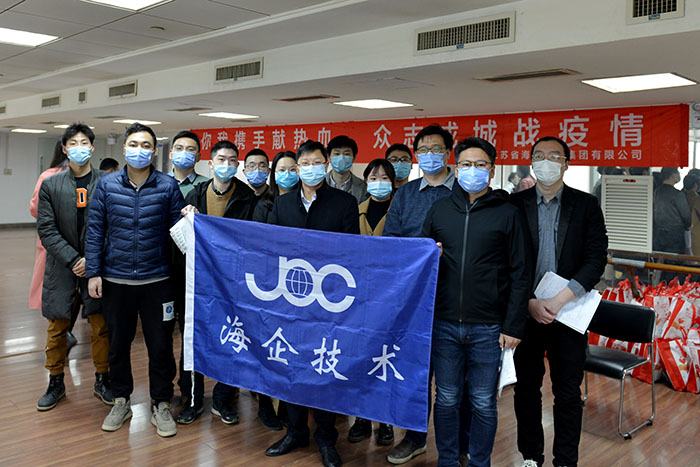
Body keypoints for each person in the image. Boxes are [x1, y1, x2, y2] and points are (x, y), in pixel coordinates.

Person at [423, 137, 530, 467]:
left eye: (480, 164)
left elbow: (521, 273)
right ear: (455, 169)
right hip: (443, 322)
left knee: (483, 401)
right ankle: (447, 460)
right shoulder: (440, 210)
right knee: (446, 398)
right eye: (466, 164)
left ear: (492, 170)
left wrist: (513, 325)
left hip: (489, 326)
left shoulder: (508, 214)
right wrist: (431, 255)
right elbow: (420, 262)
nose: (473, 170)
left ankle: (480, 462)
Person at [511, 136, 608, 467]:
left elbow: (596, 259)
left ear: (566, 164)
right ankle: (530, 457)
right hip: (526, 313)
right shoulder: (515, 204)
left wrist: (559, 299)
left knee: (567, 392)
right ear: (531, 162)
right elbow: (504, 259)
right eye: (539, 156)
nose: (546, 162)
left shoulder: (586, 205)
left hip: (569, 312)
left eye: (554, 156)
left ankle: (565, 460)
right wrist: (529, 302)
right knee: (526, 389)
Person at [85, 122, 185, 438]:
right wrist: (93, 272)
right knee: (117, 345)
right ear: (124, 148)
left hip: (158, 281)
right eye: (133, 144)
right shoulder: (106, 185)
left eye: (145, 145)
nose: (139, 150)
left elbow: (180, 232)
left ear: (154, 151)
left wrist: (190, 218)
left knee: (161, 346)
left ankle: (161, 404)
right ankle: (121, 400)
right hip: (116, 280)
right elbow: (95, 230)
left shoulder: (168, 186)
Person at [265, 140, 359, 467]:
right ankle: (295, 431)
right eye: (304, 164)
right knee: (291, 366)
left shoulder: (344, 203)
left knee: (322, 369)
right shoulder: (283, 204)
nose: (310, 168)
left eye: (316, 162)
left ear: (326, 164)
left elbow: (352, 253)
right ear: (297, 167)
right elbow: (271, 247)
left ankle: (326, 438)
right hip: (290, 300)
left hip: (329, 302)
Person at [383, 124, 470, 465]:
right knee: (414, 373)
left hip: (455, 298)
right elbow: (391, 241)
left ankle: (460, 446)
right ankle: (414, 438)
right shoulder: (405, 194)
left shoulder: (463, 190)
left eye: (436, 149)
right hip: (412, 299)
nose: (429, 155)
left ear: (448, 153)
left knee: (454, 381)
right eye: (423, 150)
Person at [177, 140, 277, 429]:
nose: (227, 165)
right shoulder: (195, 194)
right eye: (221, 159)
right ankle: (192, 399)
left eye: (233, 160)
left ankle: (223, 398)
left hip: (234, 283)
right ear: (210, 164)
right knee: (193, 338)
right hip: (199, 281)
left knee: (233, 338)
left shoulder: (247, 197)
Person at [35, 124, 113, 411]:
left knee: (101, 326)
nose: (79, 148)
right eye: (73, 143)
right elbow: (46, 229)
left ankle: (102, 379)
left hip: (97, 268)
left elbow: (112, 227)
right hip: (62, 266)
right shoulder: (51, 185)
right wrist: (74, 260)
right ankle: (55, 381)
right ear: (65, 149)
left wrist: (91, 261)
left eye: (84, 142)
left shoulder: (107, 183)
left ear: (92, 148)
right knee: (57, 327)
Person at [346, 158, 397, 445]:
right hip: (358, 297)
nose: (379, 183)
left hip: (393, 297)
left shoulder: (401, 209)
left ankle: (385, 421)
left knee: (386, 359)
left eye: (384, 178)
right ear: (366, 181)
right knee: (360, 357)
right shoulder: (356, 210)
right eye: (374, 178)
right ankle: (362, 418)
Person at [30, 141, 69, 311]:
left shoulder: (47, 176)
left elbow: (35, 208)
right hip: (76, 237)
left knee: (51, 279)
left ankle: (57, 318)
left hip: (52, 237)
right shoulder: (87, 176)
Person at [253, 150, 299, 223]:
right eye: (282, 170)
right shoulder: (264, 204)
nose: (287, 174)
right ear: (274, 174)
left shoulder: (305, 202)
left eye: (292, 170)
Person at [653, 167, 691, 254]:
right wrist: (688, 225)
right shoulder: (677, 194)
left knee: (660, 258)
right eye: (678, 173)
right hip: (675, 235)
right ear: (673, 176)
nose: (679, 175)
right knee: (674, 259)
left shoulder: (656, 192)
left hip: (658, 233)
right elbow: (685, 214)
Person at [325, 135, 368, 203]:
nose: (341, 158)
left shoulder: (364, 187)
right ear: (328, 157)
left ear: (354, 157)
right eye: (337, 154)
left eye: (346, 154)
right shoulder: (318, 184)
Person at [168, 130, 209, 198]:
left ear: (198, 157)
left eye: (190, 149)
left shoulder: (207, 185)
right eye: (179, 148)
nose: (184, 153)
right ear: (171, 154)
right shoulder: (157, 182)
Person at [684, 173, 700, 256]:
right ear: (696, 185)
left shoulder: (680, 196)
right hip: (695, 234)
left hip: (681, 234)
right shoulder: (697, 200)